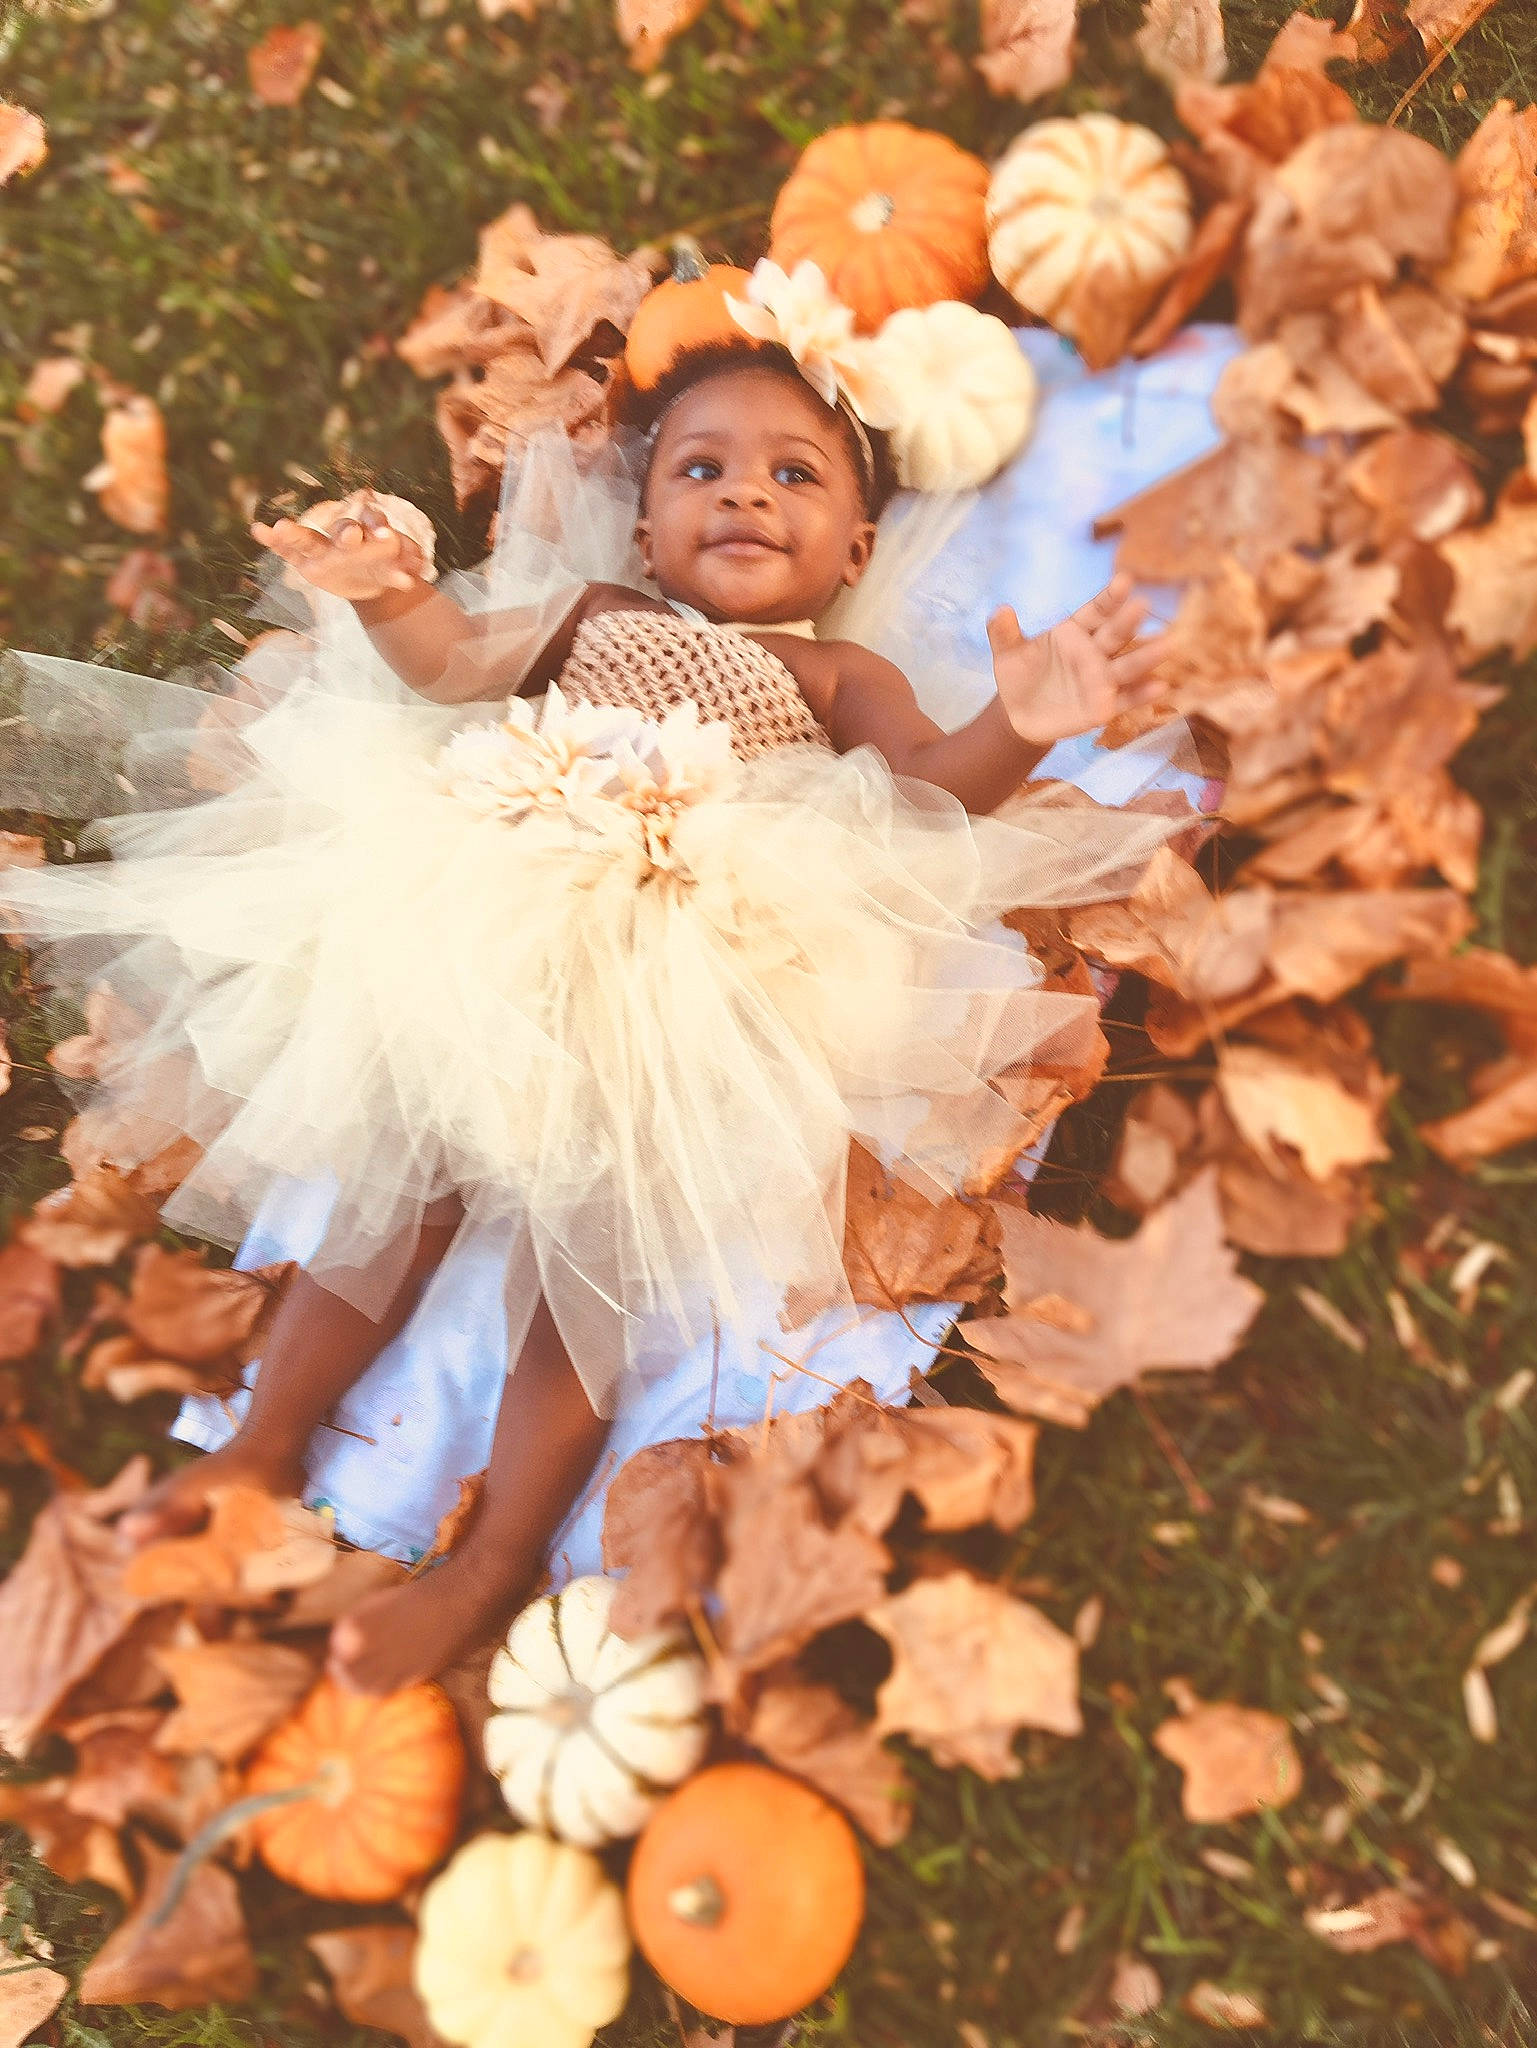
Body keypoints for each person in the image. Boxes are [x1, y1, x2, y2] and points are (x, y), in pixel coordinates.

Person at [3, 332, 1176, 1692]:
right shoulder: (592, 618)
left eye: (793, 475)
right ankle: (265, 1448)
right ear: (644, 519)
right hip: (494, 928)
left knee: (585, 1255)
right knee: (401, 1189)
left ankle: (492, 1560)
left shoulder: (836, 682)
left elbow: (931, 787)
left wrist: (1021, 722)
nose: (744, 494)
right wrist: (391, 596)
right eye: (702, 468)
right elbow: (450, 662)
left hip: (692, 968)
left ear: (853, 550)